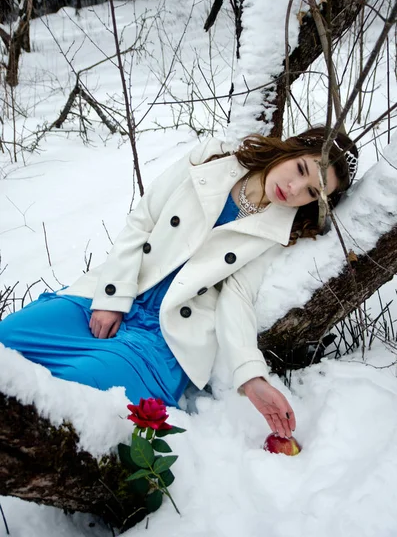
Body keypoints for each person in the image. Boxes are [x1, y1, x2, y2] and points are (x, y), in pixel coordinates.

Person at [0, 127, 358, 439]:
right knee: (8, 342)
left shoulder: (278, 233)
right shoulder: (211, 160)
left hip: (163, 337)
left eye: (312, 192)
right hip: (114, 293)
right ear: (292, 149)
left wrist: (251, 377)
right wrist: (113, 296)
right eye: (300, 169)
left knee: (76, 395)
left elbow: (238, 297)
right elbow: (143, 221)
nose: (294, 189)